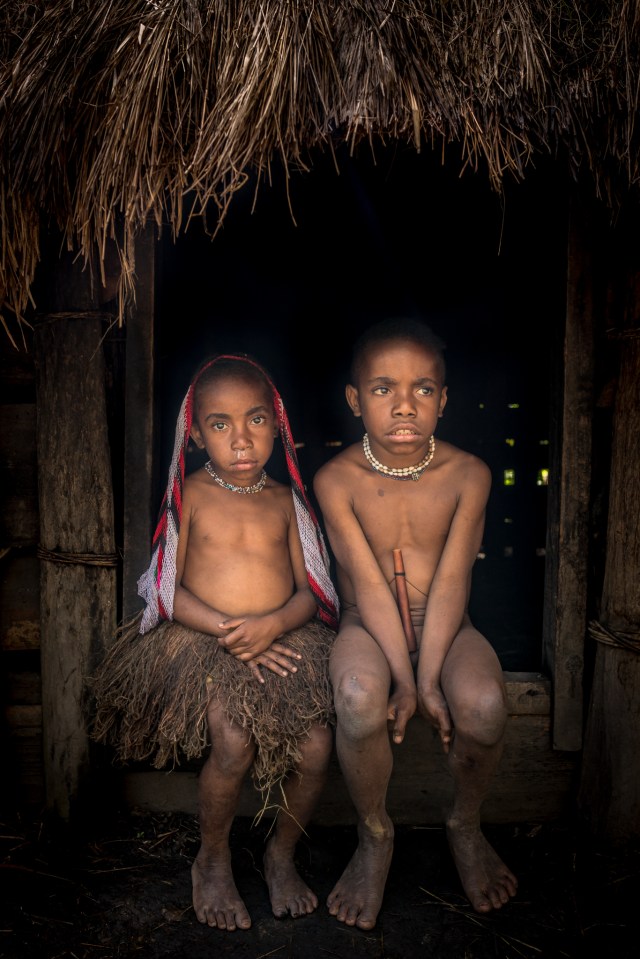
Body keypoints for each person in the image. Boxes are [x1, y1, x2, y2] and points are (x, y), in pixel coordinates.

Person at [92, 353, 339, 931]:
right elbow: (166, 591)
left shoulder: (287, 502)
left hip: (281, 640)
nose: (242, 439)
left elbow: (315, 594)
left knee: (318, 747)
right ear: (197, 434)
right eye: (221, 424)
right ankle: (213, 857)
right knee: (232, 740)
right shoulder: (193, 495)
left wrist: (274, 625)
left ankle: (280, 854)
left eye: (255, 420)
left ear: (276, 425)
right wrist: (232, 632)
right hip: (207, 642)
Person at [313, 317, 518, 929]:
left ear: (444, 399)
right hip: (365, 628)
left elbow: (453, 583)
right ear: (354, 400)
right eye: (382, 389)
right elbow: (369, 590)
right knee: (355, 697)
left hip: (447, 631)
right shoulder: (336, 480)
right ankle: (375, 833)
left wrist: (429, 681)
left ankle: (465, 822)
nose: (404, 406)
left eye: (423, 389)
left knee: (483, 706)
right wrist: (403, 683)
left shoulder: (468, 475)